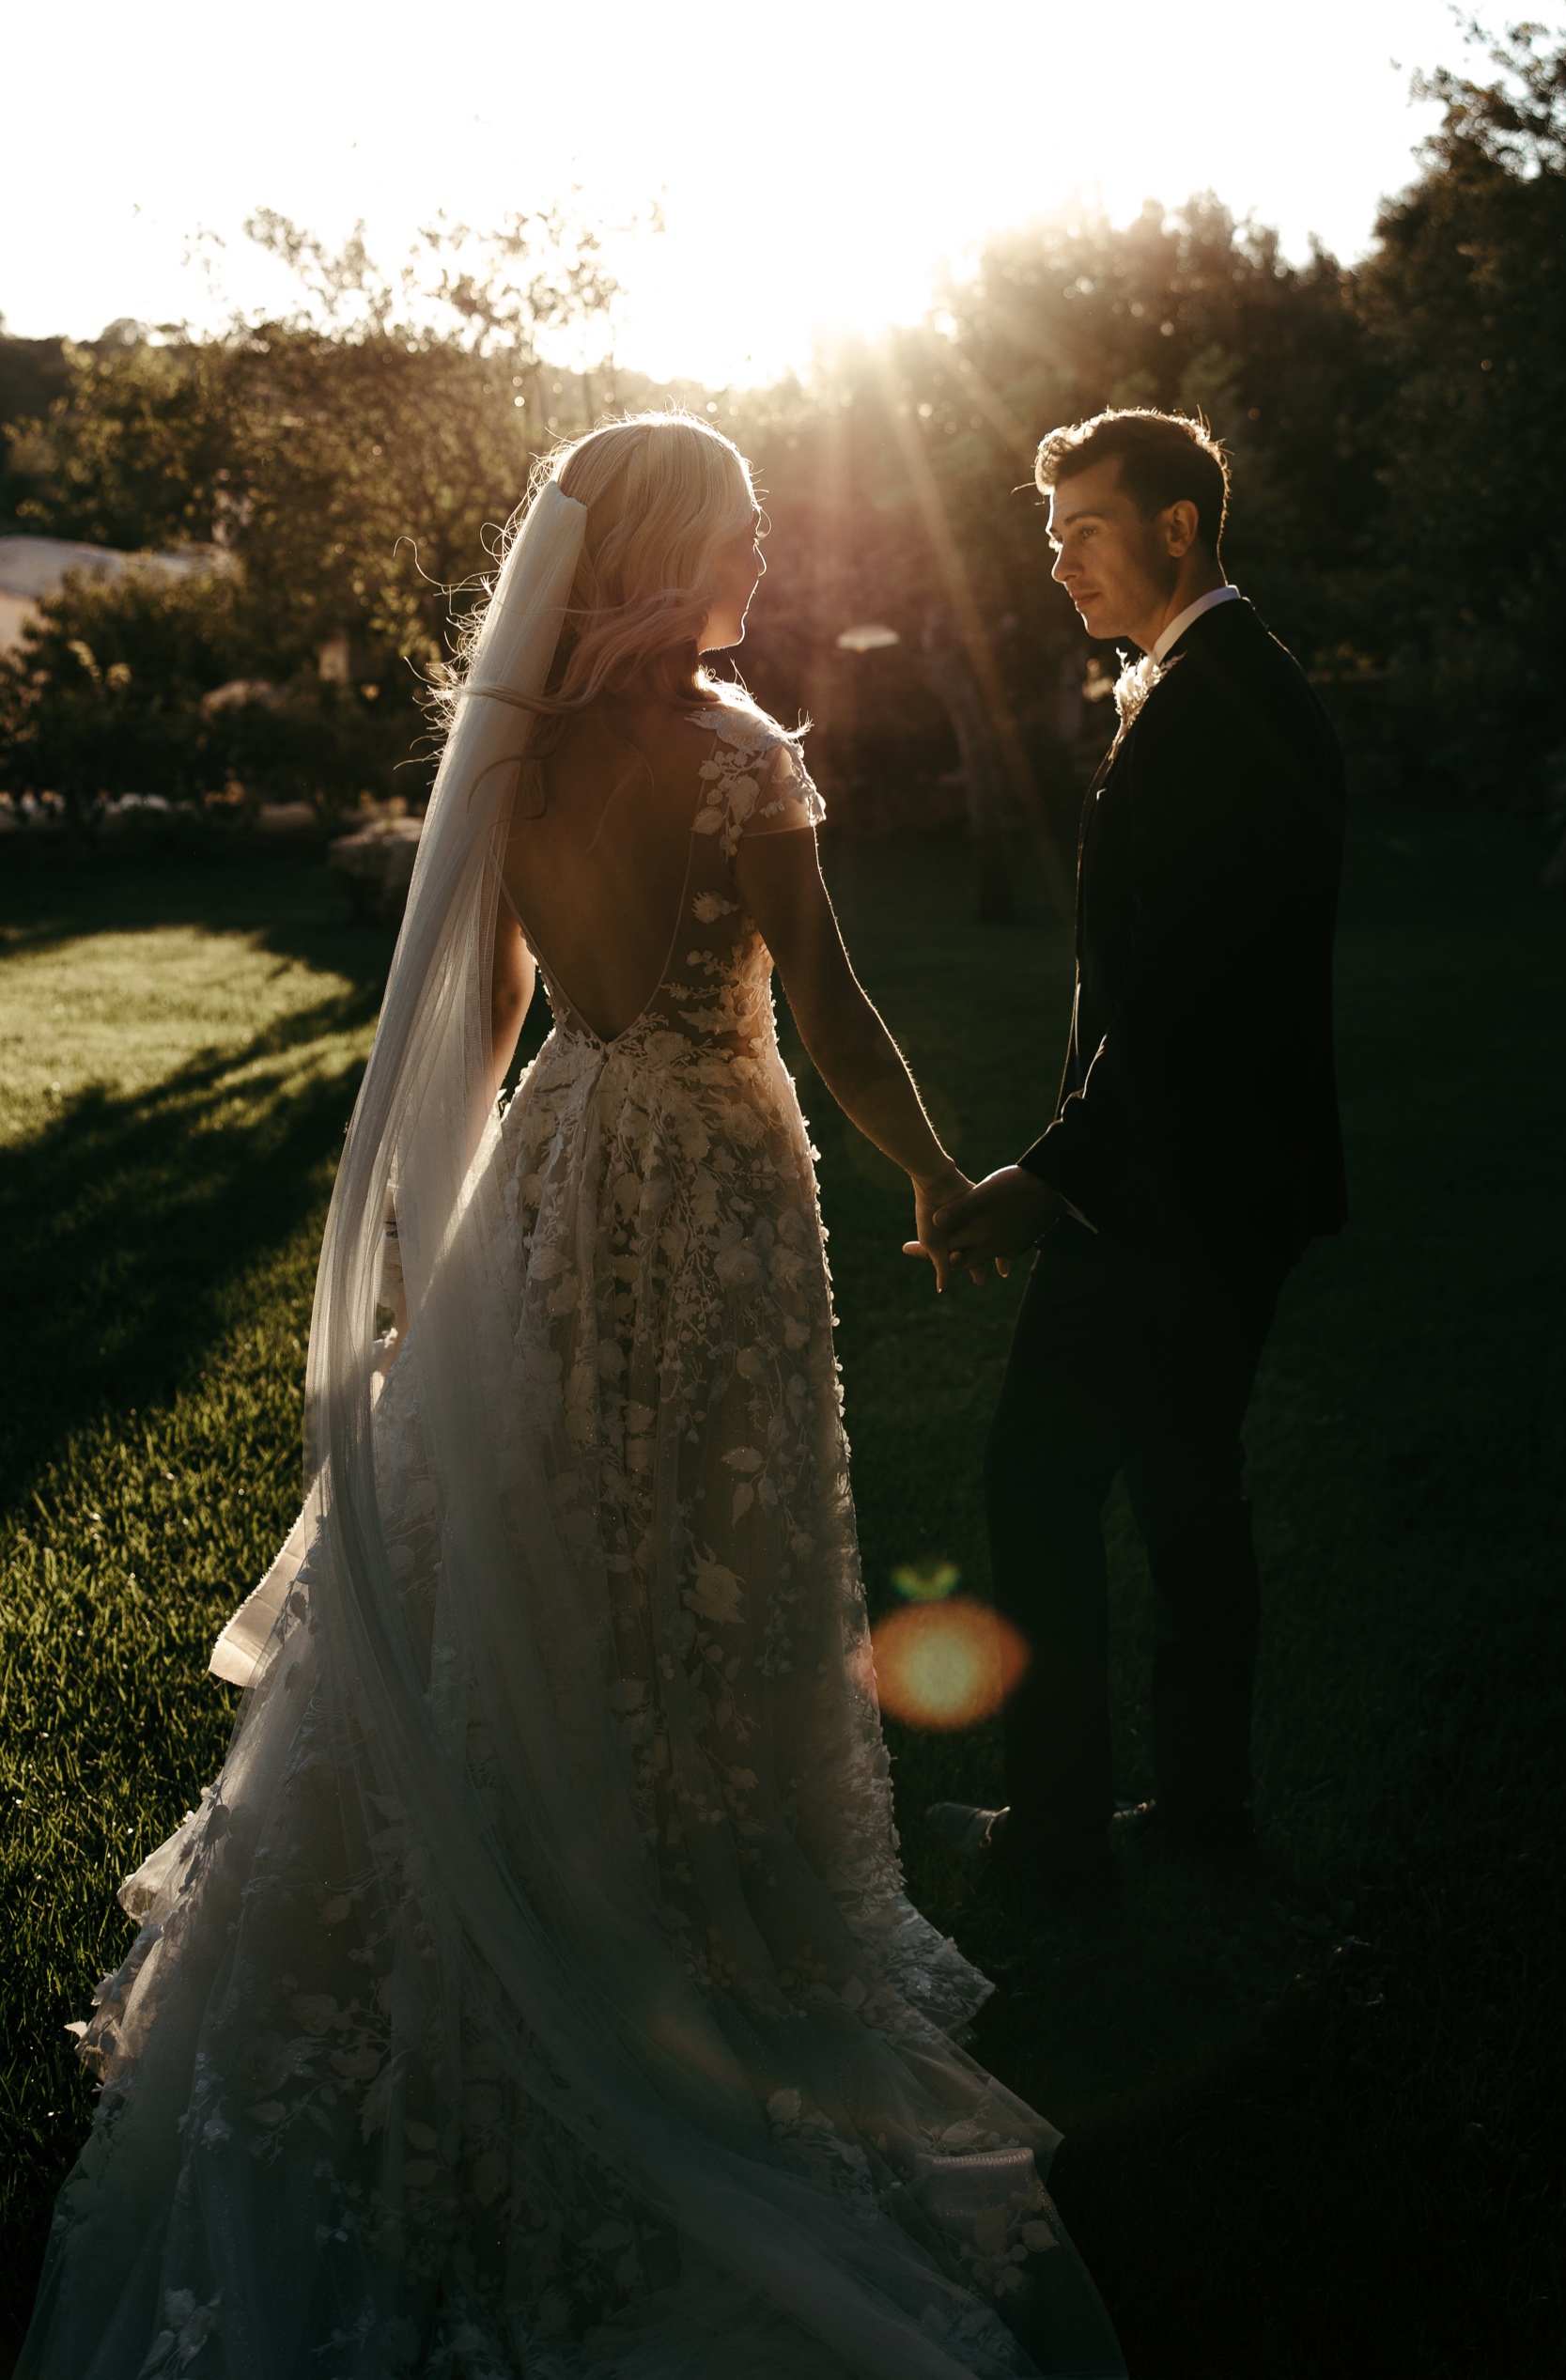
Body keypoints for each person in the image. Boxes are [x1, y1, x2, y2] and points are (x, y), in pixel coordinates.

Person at [21, 416, 1123, 2379]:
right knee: (692, 1541)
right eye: (746, 536)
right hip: (704, 1172)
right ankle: (683, 1898)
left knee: (522, 1524)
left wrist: (444, 1242)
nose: (766, 565)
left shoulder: (512, 755)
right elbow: (834, 1006)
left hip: (551, 1163)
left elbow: (492, 1008)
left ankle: (510, 1855)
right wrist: (946, 1181)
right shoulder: (745, 761)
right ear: (672, 555)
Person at [925, 408, 1346, 1904]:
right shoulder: (1212, 683)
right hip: (1217, 1183)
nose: (1061, 563)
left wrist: (1046, 1178)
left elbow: (1185, 1002)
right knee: (1185, 1490)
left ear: (1180, 525)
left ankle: (1055, 1838)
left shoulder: (1224, 702)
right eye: (1050, 538)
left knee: (1038, 1482)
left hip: (1171, 1197)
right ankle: (1203, 1817)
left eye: (1086, 530)